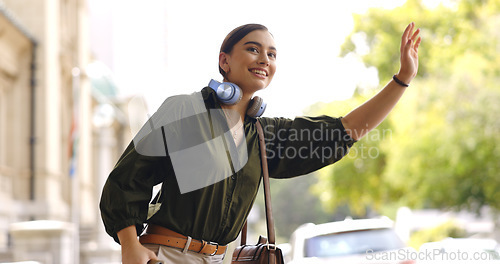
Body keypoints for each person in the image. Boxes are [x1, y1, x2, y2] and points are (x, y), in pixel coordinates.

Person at [99, 23, 421, 264]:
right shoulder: (184, 110)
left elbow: (344, 129)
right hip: (166, 254)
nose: (264, 58)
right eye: (253, 49)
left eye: (272, 54)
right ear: (224, 61)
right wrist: (130, 243)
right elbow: (127, 179)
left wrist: (402, 79)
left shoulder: (264, 135)